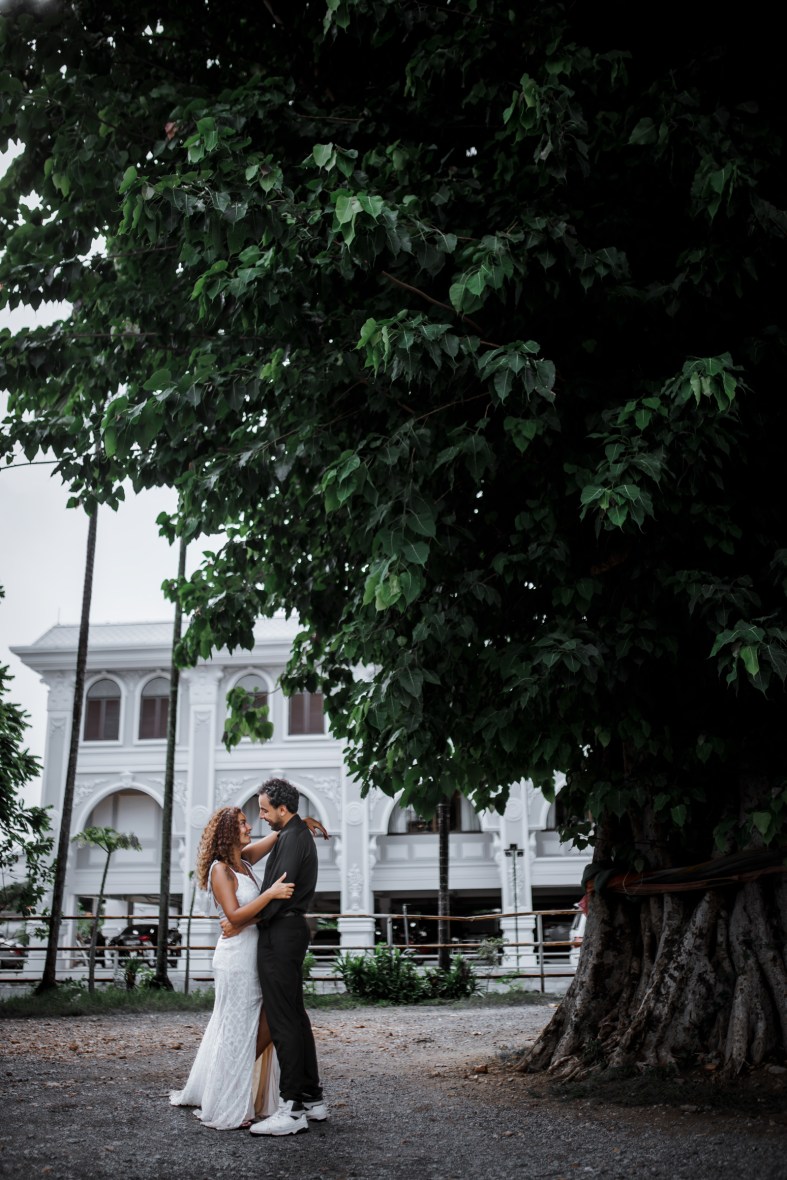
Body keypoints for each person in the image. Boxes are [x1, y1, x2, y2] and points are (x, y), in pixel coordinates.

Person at [169, 803, 327, 1130]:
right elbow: (234, 917)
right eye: (242, 824)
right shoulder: (220, 870)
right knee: (241, 1028)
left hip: (253, 952)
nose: (248, 827)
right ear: (227, 831)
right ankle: (228, 1097)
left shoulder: (244, 861)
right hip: (236, 960)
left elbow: (278, 833)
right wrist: (268, 897)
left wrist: (301, 822)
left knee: (262, 1024)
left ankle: (232, 1087)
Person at [221, 777, 326, 1136]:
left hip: (280, 934)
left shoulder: (295, 838)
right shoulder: (293, 834)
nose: (261, 816)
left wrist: (241, 922)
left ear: (283, 809)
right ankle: (312, 1099)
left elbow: (278, 894)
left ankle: (292, 1108)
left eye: (265, 809)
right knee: (294, 1016)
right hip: (286, 932)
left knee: (283, 1020)